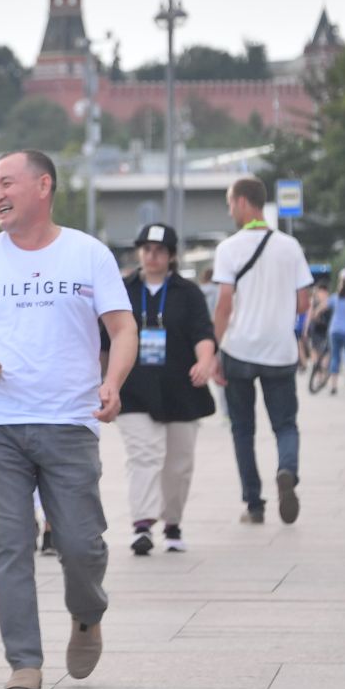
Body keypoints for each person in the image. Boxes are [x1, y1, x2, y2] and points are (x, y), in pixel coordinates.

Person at [0, 150, 136, 689]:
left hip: (71, 420)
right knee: (9, 545)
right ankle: (24, 660)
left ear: (43, 185)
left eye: (6, 183)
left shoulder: (87, 254)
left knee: (81, 544)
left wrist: (113, 382)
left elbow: (122, 329)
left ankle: (88, 613)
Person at [210, 176, 313, 525]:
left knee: (243, 430)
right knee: (285, 425)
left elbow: (224, 304)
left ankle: (254, 505)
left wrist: (213, 350)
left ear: (242, 202)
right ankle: (287, 470)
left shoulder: (228, 249)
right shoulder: (290, 246)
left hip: (238, 350)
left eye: (229, 203)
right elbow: (303, 301)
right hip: (280, 350)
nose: (229, 211)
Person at [113, 223, 217, 556]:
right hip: (134, 389)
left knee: (178, 462)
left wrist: (205, 362)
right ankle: (142, 524)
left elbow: (204, 333)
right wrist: (104, 380)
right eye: (146, 249)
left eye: (159, 250)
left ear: (171, 256)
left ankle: (172, 523)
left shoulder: (188, 293)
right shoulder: (123, 290)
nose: (151, 255)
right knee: (143, 454)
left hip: (181, 389)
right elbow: (106, 337)